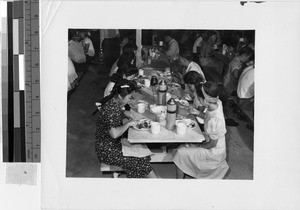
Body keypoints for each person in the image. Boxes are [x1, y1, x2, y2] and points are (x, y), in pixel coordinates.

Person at [95, 80, 158, 178]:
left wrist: (124, 113)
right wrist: (128, 123)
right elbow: (114, 134)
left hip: (112, 143)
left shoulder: (112, 101)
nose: (129, 100)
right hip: (107, 150)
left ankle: (147, 179)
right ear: (120, 96)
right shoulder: (109, 110)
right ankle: (156, 181)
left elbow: (116, 110)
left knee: (142, 154)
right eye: (129, 97)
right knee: (140, 160)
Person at [173, 81, 229, 179]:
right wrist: (197, 112)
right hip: (211, 140)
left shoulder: (215, 120)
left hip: (213, 153)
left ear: (207, 99)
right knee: (186, 139)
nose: (198, 100)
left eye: (199, 98)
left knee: (181, 153)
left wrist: (197, 145)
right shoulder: (217, 103)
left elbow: (212, 144)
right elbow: (208, 116)